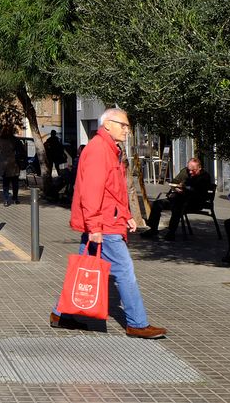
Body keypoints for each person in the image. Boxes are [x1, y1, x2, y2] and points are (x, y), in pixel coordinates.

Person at [53, 108, 167, 339]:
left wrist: (126, 214)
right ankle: (137, 323)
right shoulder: (99, 150)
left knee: (84, 266)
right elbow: (91, 192)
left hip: (108, 220)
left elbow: (113, 190)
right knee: (125, 272)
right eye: (123, 125)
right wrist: (95, 227)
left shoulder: (109, 149)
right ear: (107, 125)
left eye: (128, 126)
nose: (127, 130)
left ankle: (61, 314)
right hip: (104, 225)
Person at [141, 157, 211, 241]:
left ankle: (171, 232)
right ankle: (153, 229)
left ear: (199, 168)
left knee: (177, 206)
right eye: (189, 170)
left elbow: (199, 192)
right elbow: (175, 181)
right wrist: (176, 188)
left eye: (193, 170)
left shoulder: (205, 176)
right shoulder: (185, 171)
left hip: (194, 202)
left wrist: (186, 189)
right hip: (179, 198)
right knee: (157, 204)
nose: (190, 172)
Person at [0, 125, 22, 206]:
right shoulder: (15, 140)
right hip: (14, 164)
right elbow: (21, 151)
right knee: (15, 183)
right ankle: (15, 198)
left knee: (5, 183)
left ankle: (6, 200)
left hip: (4, 164)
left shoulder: (0, 140)